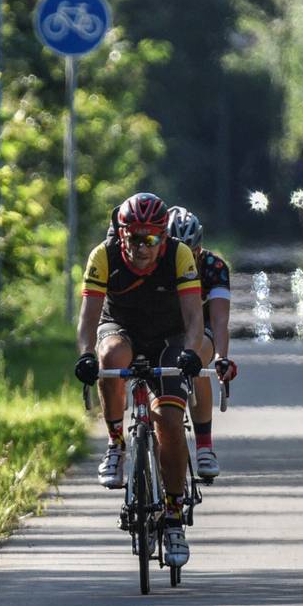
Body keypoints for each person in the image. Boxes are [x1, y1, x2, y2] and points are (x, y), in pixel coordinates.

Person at [74, 192, 205, 567]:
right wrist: (86, 355)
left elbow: (195, 317)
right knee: (111, 358)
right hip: (122, 327)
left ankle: (174, 514)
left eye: (150, 239)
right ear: (121, 235)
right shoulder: (104, 256)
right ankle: (116, 444)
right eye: (134, 239)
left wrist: (192, 352)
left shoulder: (179, 255)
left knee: (167, 418)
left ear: (163, 237)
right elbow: (88, 318)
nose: (142, 248)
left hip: (169, 335)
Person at [166, 205, 238, 481]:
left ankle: (205, 446)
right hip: (165, 327)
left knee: (195, 359)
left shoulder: (214, 267)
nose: (184, 258)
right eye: (177, 252)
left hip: (202, 327)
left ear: (199, 247)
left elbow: (220, 321)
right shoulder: (154, 264)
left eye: (191, 252)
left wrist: (221, 356)